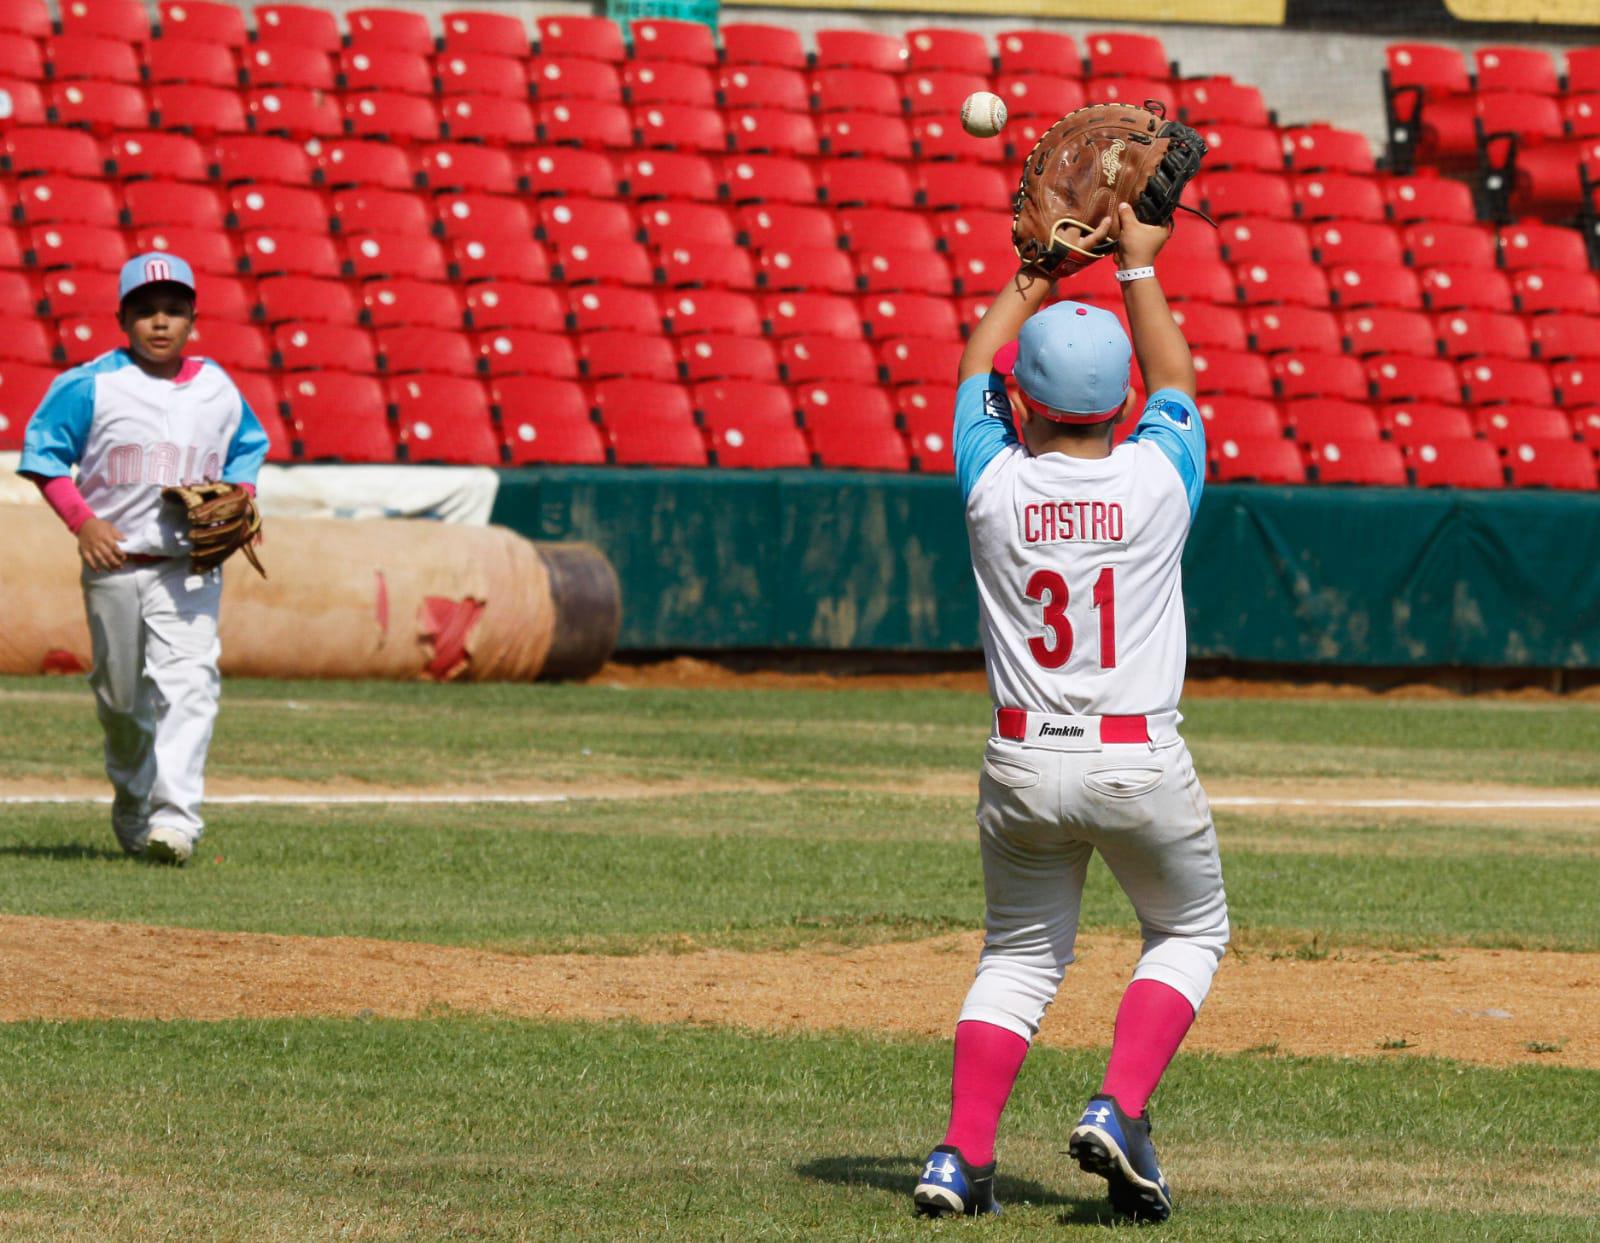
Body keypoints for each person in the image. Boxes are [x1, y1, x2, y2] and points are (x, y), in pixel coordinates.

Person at [912, 204, 1229, 1223]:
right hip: (1136, 760)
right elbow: (1175, 384)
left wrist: (1040, 271)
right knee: (1187, 931)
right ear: (1120, 401)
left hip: (1016, 762)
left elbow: (974, 367)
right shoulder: (1155, 477)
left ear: (1021, 400)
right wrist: (1135, 269)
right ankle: (1118, 1104)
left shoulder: (990, 485)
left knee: (1016, 957)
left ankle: (961, 1157)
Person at [17, 252, 269, 865]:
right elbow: (46, 455)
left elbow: (247, 451)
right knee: (123, 702)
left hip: (189, 567)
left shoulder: (218, 388)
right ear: (122, 318)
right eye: (145, 311)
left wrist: (242, 499)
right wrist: (84, 522)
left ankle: (176, 822)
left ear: (193, 320)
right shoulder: (90, 384)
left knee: (190, 687)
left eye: (174, 311)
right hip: (116, 565)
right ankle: (132, 800)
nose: (161, 322)